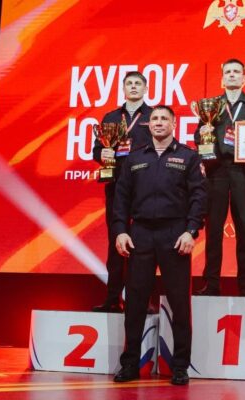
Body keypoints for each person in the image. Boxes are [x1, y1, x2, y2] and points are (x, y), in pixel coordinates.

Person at [111, 105, 206, 385]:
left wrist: (191, 231)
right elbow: (121, 198)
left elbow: (199, 197)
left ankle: (180, 366)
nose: (159, 122)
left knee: (179, 303)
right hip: (140, 233)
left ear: (174, 124)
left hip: (175, 234)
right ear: (149, 125)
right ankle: (130, 364)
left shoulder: (188, 156)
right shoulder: (134, 158)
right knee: (135, 303)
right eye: (154, 119)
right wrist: (120, 231)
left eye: (164, 118)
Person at [194, 58, 245, 296]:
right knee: (213, 230)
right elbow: (198, 138)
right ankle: (211, 284)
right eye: (228, 71)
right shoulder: (211, 105)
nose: (232, 74)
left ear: (244, 78)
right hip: (216, 171)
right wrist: (202, 133)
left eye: (236, 71)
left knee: (244, 229)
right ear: (222, 78)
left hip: (242, 172)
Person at [92, 71, 152, 312]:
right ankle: (112, 298)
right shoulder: (111, 117)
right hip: (116, 185)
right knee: (116, 241)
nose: (134, 87)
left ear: (145, 89)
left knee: (143, 245)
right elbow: (97, 149)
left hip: (145, 186)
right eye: (129, 83)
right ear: (124, 89)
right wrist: (103, 154)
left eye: (138, 83)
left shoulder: (153, 115)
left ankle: (141, 301)